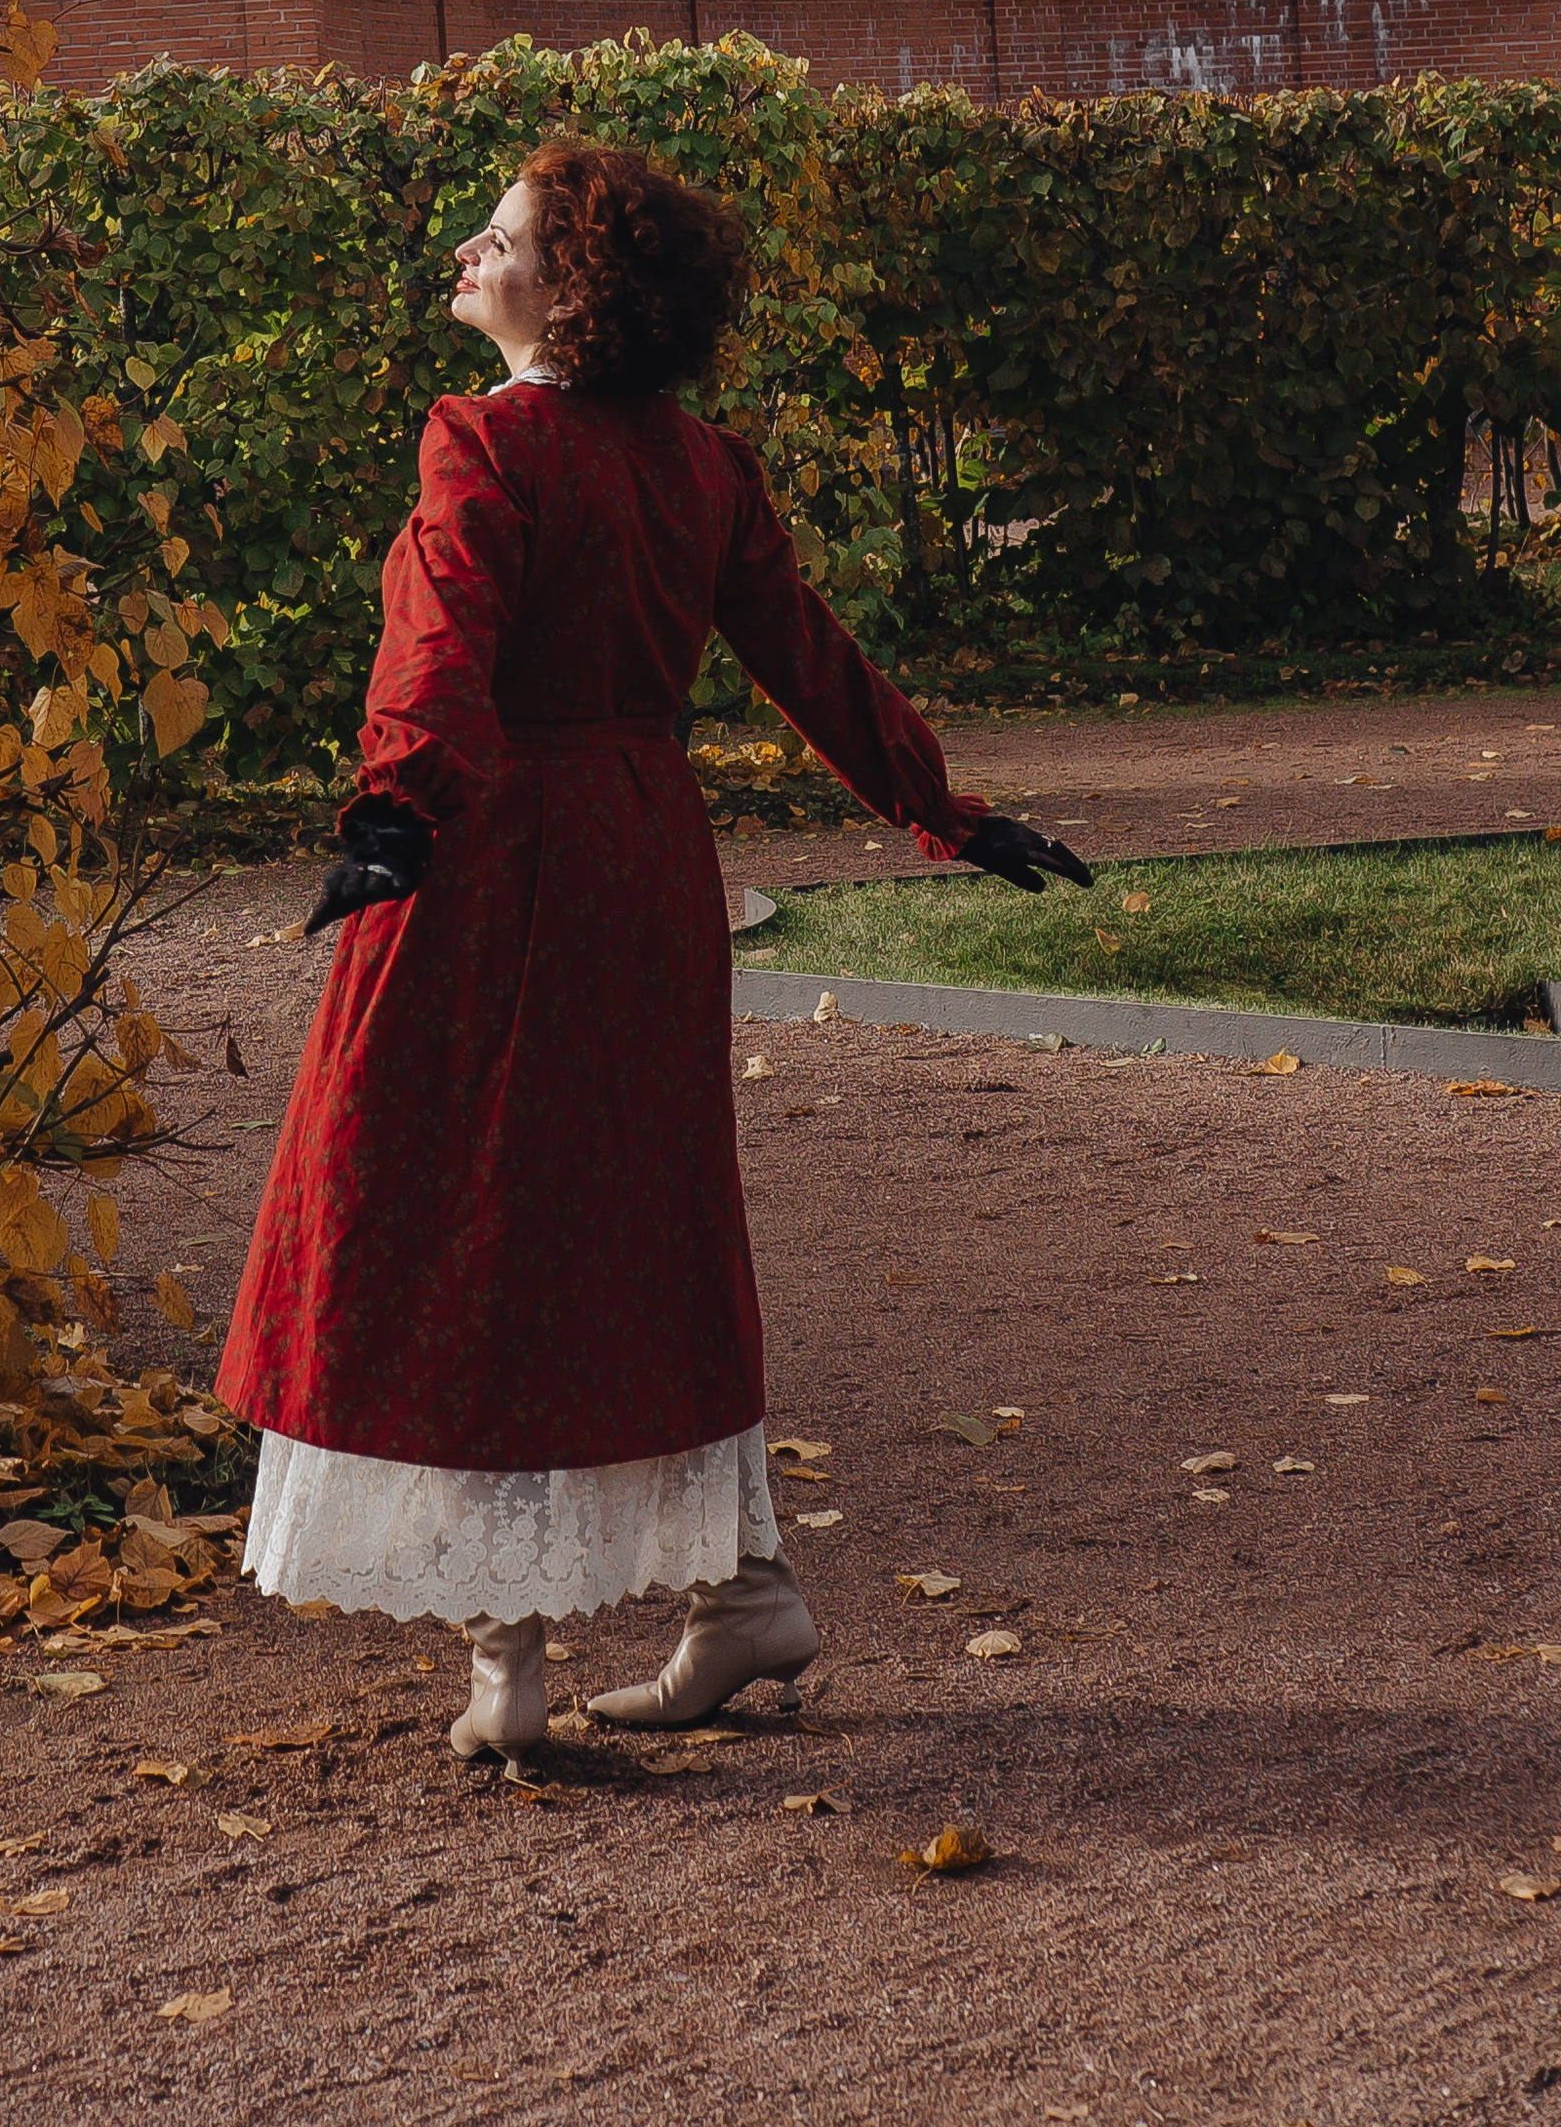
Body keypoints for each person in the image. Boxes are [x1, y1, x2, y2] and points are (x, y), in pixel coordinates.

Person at [216, 143, 1087, 1772]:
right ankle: (740, 1590)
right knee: (641, 1219)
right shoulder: (700, 468)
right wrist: (940, 810)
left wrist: (398, 810)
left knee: (459, 1220)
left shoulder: (485, 441)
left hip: (492, 853)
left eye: (507, 236)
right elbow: (809, 658)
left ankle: (514, 1661)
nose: (470, 251)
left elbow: (443, 636)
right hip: (640, 858)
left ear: (576, 283)